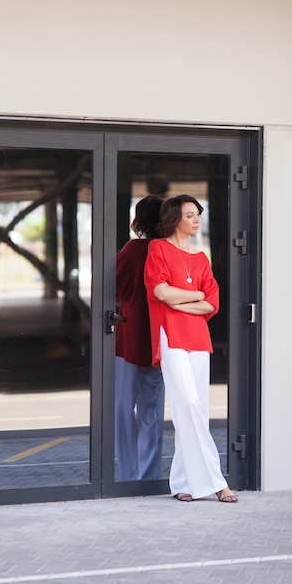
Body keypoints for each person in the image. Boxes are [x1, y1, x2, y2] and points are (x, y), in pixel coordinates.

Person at [144, 195, 237, 502]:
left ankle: (183, 483)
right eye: (189, 215)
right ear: (174, 219)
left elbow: (212, 303)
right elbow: (160, 291)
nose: (196, 220)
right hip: (170, 337)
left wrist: (180, 297)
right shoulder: (157, 248)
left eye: (198, 214)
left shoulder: (201, 259)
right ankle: (217, 482)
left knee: (195, 410)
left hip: (198, 339)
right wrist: (194, 294)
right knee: (189, 405)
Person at [115, 195, 165, 481]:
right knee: (152, 411)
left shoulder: (132, 250)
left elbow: (114, 288)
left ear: (138, 221)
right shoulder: (168, 250)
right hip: (159, 339)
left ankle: (127, 474)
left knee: (122, 408)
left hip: (129, 338)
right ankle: (149, 475)